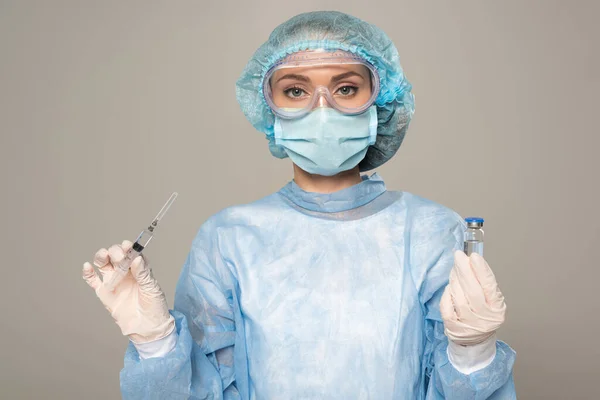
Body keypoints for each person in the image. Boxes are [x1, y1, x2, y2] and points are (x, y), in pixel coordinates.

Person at [82, 11, 516, 399]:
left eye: (346, 88)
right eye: (295, 91)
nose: (321, 109)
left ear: (380, 105)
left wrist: (472, 353)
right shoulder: (229, 238)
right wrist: (156, 342)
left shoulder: (431, 232)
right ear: (271, 111)